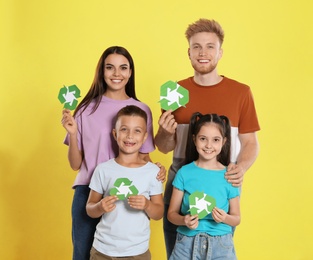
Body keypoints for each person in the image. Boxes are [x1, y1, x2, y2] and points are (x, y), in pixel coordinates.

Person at [154, 18, 260, 258]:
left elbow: (251, 142)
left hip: (222, 176)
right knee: (177, 240)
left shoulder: (240, 92)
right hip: (182, 173)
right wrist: (164, 132)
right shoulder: (174, 92)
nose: (203, 53)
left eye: (210, 46)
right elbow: (163, 146)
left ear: (220, 52)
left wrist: (239, 169)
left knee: (218, 243)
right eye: (197, 47)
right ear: (189, 52)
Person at [61, 46, 165, 260]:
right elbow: (75, 164)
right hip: (89, 193)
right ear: (102, 71)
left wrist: (157, 168)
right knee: (82, 255)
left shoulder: (141, 109)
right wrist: (72, 135)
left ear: (130, 72)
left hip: (126, 196)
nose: (117, 74)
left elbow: (143, 156)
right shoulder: (85, 109)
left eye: (123, 68)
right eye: (110, 67)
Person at [86, 105, 164, 260]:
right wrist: (100, 207)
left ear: (144, 137)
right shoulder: (103, 170)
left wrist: (147, 205)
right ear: (115, 134)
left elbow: (159, 213)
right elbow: (90, 208)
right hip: (102, 250)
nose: (130, 136)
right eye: (124, 129)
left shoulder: (153, 172)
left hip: (137, 252)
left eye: (137, 131)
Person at [168, 113, 240, 260]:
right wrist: (184, 220)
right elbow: (171, 214)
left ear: (224, 141)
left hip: (221, 245)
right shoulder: (184, 173)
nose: (208, 145)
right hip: (186, 243)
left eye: (215, 140)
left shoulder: (229, 175)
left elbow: (237, 218)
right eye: (203, 139)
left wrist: (225, 218)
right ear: (194, 139)